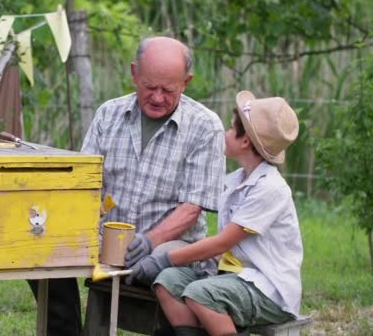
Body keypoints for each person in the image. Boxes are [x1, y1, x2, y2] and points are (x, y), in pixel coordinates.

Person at [28, 36, 226, 335]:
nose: (157, 97)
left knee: (171, 274)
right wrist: (83, 226)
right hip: (105, 242)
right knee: (38, 250)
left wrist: (149, 242)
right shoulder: (109, 114)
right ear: (134, 73)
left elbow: (191, 208)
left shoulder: (205, 126)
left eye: (168, 90)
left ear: (186, 82)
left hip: (169, 248)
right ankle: (67, 330)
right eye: (149, 87)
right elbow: (87, 186)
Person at [143, 91, 302, 336]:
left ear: (245, 141)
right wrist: (167, 265)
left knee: (202, 294)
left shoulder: (271, 188)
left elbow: (222, 243)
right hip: (234, 276)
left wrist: (166, 257)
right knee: (168, 282)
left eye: (230, 129)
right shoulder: (237, 181)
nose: (225, 134)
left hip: (268, 289)